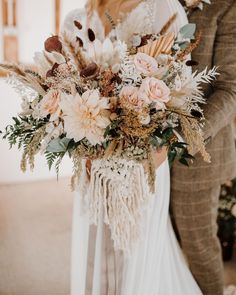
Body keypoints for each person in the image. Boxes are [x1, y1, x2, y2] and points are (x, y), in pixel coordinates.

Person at [62, 0, 206, 294]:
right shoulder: (82, 15)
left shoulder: (162, 8)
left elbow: (181, 91)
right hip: (93, 159)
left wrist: (158, 141)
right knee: (95, 248)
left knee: (136, 254)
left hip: (144, 160)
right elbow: (65, 84)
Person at [171, 1, 236, 295]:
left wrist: (185, 138)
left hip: (198, 159)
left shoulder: (226, 8)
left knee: (199, 249)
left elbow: (230, 90)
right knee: (159, 247)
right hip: (144, 151)